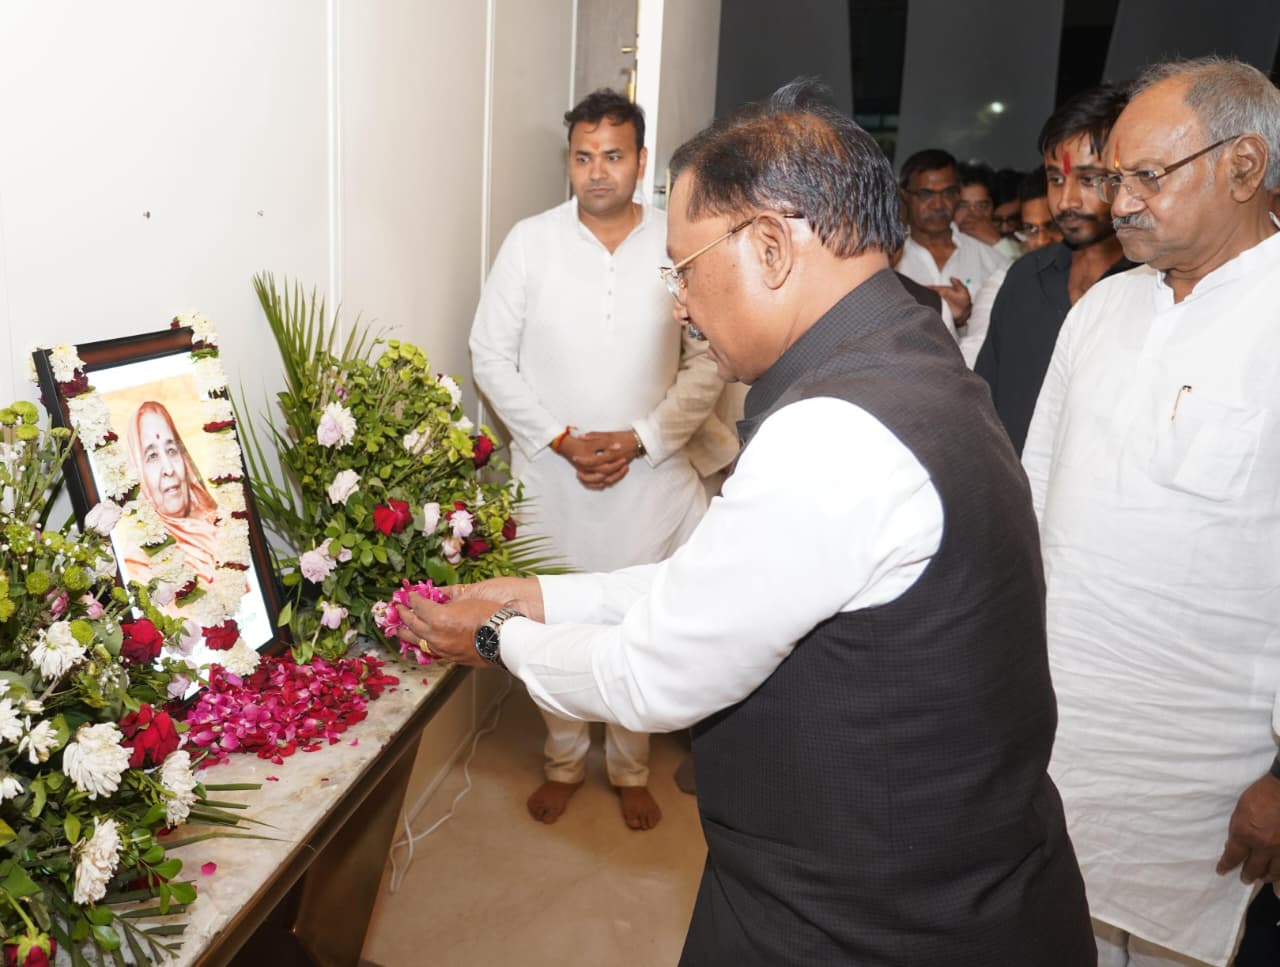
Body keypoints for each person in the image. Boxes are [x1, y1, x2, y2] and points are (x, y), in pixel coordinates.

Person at [404, 79, 1094, 965]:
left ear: (770, 247)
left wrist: (495, 636)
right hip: (922, 879)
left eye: (684, 270)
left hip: (866, 920)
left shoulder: (835, 431)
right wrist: (543, 597)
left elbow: (652, 672)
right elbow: (723, 584)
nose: (679, 306)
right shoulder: (902, 356)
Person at [1023, 57, 1280, 967]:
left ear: (1244, 166)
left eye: (1145, 176)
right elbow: (1035, 496)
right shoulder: (1101, 310)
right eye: (1111, 177)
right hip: (1066, 738)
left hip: (1211, 778)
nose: (1118, 202)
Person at [468, 89, 730, 832]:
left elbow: (708, 359)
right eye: (584, 157)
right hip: (554, 477)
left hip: (649, 475)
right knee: (554, 618)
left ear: (641, 161)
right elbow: (489, 354)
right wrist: (558, 436)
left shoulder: (676, 244)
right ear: (570, 160)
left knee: (639, 622)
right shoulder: (531, 241)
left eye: (613, 156)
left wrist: (642, 437)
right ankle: (562, 763)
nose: (597, 171)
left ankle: (630, 768)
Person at [975, 84, 1133, 453]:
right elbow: (985, 402)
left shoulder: (1158, 284)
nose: (1066, 201)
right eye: (1056, 179)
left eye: (1088, 179)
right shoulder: (1025, 278)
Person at [894, 148, 1011, 332]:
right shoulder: (888, 260)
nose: (938, 205)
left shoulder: (993, 262)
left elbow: (1008, 326)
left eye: (948, 193)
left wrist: (969, 315)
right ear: (904, 196)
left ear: (958, 194)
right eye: (926, 194)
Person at [959, 168, 1064, 368]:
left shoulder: (1103, 281)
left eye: (1052, 227)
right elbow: (976, 347)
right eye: (1031, 229)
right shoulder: (1003, 282)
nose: (1041, 241)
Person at [124, 400, 220, 583]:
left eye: (171, 450)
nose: (168, 469)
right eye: (152, 456)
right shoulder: (139, 562)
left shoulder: (220, 522)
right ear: (138, 473)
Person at [956, 161, 1023, 259]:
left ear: (993, 209)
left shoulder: (1011, 248)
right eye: (963, 206)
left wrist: (997, 243)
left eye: (981, 206)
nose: (972, 215)